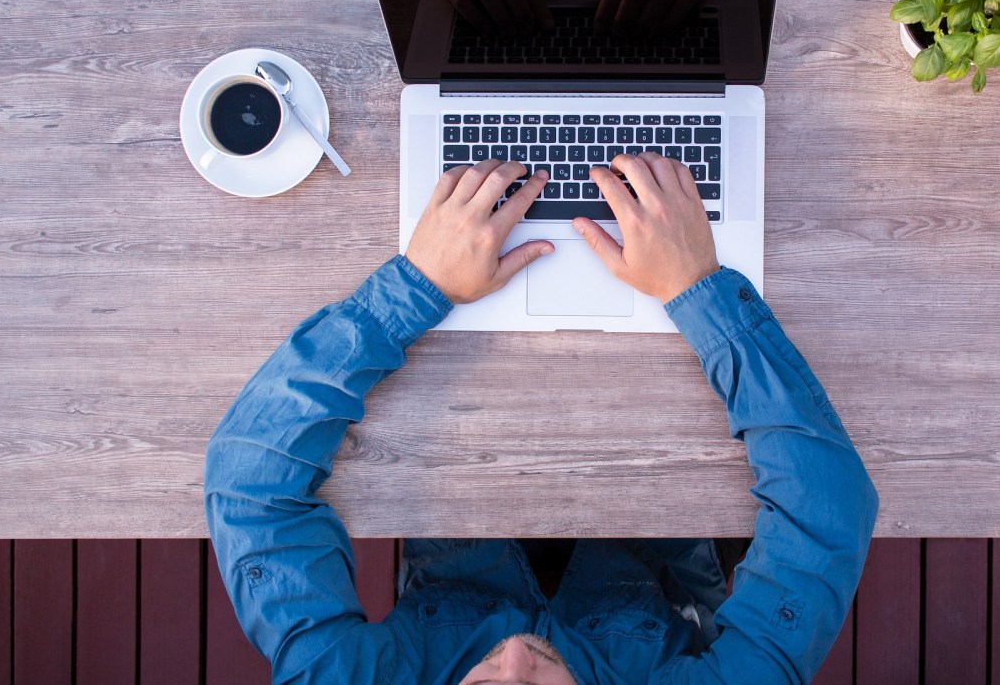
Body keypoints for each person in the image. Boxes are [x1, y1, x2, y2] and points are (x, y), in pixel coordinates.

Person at [204, 153, 879, 684]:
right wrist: (695, 289)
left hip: (461, 544)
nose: (518, 661)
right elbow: (825, 513)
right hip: (654, 555)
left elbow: (251, 483)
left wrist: (416, 286)